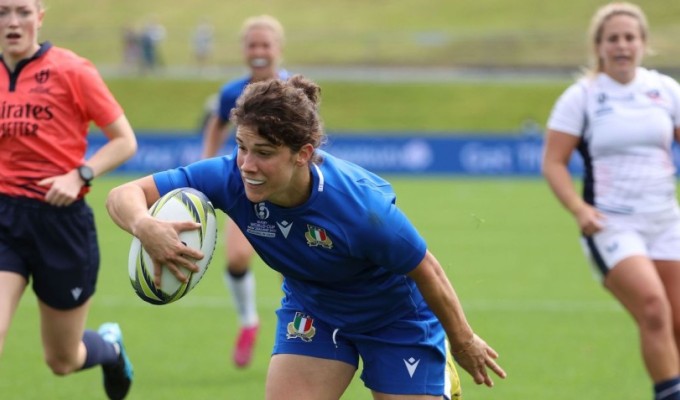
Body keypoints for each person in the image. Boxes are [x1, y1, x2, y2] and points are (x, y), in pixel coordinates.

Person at [106, 75, 505, 399]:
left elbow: (427, 269)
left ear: (303, 153)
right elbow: (123, 195)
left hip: (392, 317)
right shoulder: (228, 176)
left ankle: (439, 374)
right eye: (242, 147)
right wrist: (144, 225)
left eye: (263, 152)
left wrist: (463, 339)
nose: (246, 164)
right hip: (313, 309)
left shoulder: (359, 209)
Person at [542, 3, 680, 399]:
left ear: (643, 43)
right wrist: (578, 208)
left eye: (630, 38)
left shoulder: (666, 90)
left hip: (666, 222)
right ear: (599, 46)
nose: (622, 46)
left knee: (677, 322)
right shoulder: (581, 97)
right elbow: (553, 162)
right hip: (612, 225)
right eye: (613, 39)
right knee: (653, 308)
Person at [0, 1, 137, 399]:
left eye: (22, 11)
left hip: (60, 223)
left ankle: (110, 349)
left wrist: (80, 174)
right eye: (3, 11)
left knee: (62, 359)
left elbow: (125, 141)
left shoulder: (72, 70)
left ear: (39, 16)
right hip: (5, 217)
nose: (12, 22)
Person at [201, 14, 289, 368]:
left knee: (296, 265)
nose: (258, 51)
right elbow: (216, 126)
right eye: (252, 44)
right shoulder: (231, 93)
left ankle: (303, 326)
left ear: (278, 49)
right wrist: (203, 170)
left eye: (265, 45)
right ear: (244, 49)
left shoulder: (293, 90)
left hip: (287, 194)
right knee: (237, 258)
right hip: (245, 188)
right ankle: (249, 322)